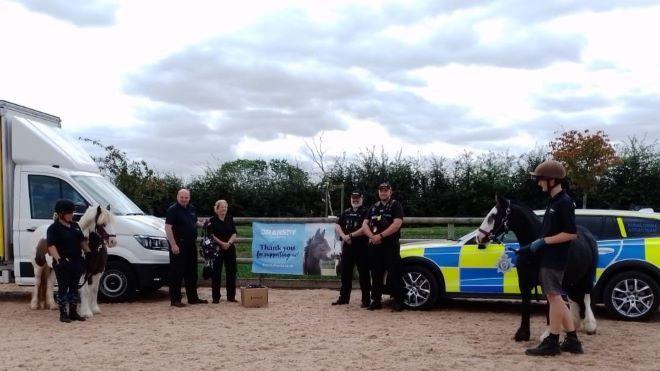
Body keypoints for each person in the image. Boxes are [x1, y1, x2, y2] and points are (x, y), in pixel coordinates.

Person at [523, 160, 583, 356]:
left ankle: (553, 341)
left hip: (555, 258)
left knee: (553, 297)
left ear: (551, 180)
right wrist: (533, 245)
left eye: (540, 179)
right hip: (548, 256)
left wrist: (545, 242)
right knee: (557, 297)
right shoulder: (553, 201)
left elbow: (571, 233)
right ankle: (573, 340)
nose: (538, 182)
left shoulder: (564, 203)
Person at [361, 182, 405, 312]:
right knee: (375, 274)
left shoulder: (396, 205)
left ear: (390, 192)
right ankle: (376, 301)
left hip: (390, 246)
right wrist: (372, 237)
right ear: (378, 192)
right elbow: (364, 224)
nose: (383, 192)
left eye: (386, 190)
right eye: (381, 190)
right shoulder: (374, 207)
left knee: (394, 274)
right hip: (375, 246)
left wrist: (380, 236)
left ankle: (399, 302)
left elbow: (397, 224)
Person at [47, 199, 88, 323]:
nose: (72, 214)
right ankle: (63, 313)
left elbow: (82, 241)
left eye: (72, 212)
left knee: (74, 287)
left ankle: (73, 311)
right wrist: (59, 260)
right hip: (63, 263)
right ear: (61, 214)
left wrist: (89, 253)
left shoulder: (75, 226)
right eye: (69, 213)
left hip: (76, 261)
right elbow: (51, 246)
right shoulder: (54, 228)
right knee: (63, 288)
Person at [165, 189, 207, 307]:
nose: (184, 199)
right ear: (177, 197)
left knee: (192, 272)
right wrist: (173, 244)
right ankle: (175, 300)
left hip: (190, 244)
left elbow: (194, 222)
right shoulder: (172, 210)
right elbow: (168, 228)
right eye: (182, 197)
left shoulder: (192, 209)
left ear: (189, 198)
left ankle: (193, 298)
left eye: (186, 197)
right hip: (178, 245)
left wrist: (202, 223)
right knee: (176, 273)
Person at [332, 191, 371, 308]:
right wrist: (344, 236)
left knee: (364, 275)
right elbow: (338, 225)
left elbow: (365, 228)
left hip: (362, 247)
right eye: (353, 198)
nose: (355, 200)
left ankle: (366, 300)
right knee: (345, 274)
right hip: (348, 248)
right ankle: (343, 298)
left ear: (362, 198)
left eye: (357, 198)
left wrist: (350, 236)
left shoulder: (366, 212)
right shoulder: (346, 212)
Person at [205, 200, 238, 304]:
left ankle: (231, 296)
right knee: (216, 273)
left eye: (226, 207)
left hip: (230, 248)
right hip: (216, 249)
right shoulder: (212, 220)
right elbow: (211, 235)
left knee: (231, 272)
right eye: (222, 207)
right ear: (217, 208)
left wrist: (228, 243)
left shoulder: (230, 218)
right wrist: (222, 244)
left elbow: (234, 233)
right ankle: (216, 297)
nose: (224, 209)